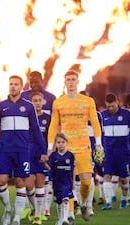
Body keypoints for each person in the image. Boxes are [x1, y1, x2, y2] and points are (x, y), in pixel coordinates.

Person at [0, 75, 46, 225]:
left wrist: (43, 151)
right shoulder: (1, 106)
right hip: (5, 150)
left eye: (16, 84)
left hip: (23, 150)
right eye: (11, 84)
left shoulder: (29, 106)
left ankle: (16, 218)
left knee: (20, 182)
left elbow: (36, 130)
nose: (13, 86)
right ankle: (8, 209)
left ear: (21, 87)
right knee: (1, 181)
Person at [47, 70, 103, 222]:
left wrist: (98, 144)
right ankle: (70, 214)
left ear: (78, 82)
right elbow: (53, 125)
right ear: (65, 82)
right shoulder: (58, 102)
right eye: (68, 79)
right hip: (66, 149)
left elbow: (95, 123)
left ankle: (84, 204)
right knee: (67, 183)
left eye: (73, 79)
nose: (71, 82)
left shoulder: (88, 101)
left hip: (84, 147)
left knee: (86, 182)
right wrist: (50, 146)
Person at [100, 93, 130, 210]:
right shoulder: (102, 116)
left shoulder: (126, 113)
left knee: (123, 178)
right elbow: (99, 134)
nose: (111, 108)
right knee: (106, 175)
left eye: (113, 106)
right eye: (108, 106)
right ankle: (108, 202)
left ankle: (124, 198)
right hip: (108, 152)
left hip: (123, 151)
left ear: (118, 102)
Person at [25, 92, 51, 224]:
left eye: (39, 100)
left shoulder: (48, 118)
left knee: (40, 184)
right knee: (28, 185)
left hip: (42, 153)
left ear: (43, 102)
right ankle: (35, 208)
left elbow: (50, 137)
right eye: (34, 100)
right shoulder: (25, 117)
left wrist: (48, 153)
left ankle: (38, 216)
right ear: (30, 103)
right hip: (27, 153)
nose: (37, 103)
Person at [47, 133, 75, 225]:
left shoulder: (70, 155)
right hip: (57, 182)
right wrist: (50, 179)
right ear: (55, 144)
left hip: (67, 183)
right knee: (58, 202)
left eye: (63, 142)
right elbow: (50, 169)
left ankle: (65, 219)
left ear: (66, 143)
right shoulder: (53, 156)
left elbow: (73, 170)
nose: (61, 144)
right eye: (58, 142)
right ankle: (60, 220)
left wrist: (73, 182)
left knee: (66, 199)